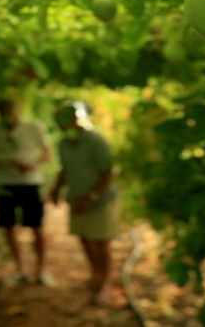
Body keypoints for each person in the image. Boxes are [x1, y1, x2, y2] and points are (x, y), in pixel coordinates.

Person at [50, 100, 122, 307]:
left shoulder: (96, 141)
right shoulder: (64, 143)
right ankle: (96, 275)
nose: (63, 125)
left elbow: (107, 172)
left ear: (76, 119)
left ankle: (106, 284)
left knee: (101, 242)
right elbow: (65, 169)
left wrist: (91, 197)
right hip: (76, 198)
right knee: (85, 239)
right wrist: (56, 188)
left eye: (66, 119)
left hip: (101, 201)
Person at [0, 98, 54, 286]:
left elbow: (47, 151)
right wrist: (6, 162)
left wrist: (33, 165)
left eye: (10, 111)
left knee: (36, 226)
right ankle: (21, 269)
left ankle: (41, 270)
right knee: (8, 226)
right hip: (4, 183)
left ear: (16, 110)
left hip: (30, 182)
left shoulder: (33, 127)